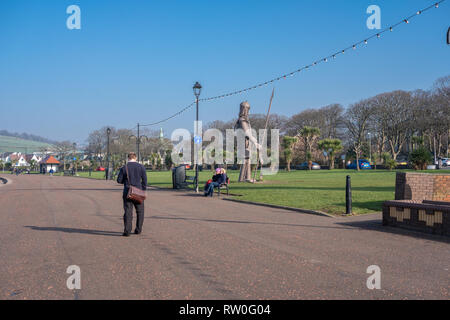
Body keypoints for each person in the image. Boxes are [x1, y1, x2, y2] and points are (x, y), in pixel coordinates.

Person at [117, 152, 147, 237]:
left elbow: (119, 180)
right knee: (140, 211)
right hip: (138, 192)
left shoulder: (124, 167)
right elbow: (145, 180)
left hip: (128, 192)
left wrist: (125, 181)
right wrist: (143, 190)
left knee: (128, 211)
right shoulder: (141, 167)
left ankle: (127, 231)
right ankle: (138, 229)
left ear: (128, 158)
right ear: (136, 158)